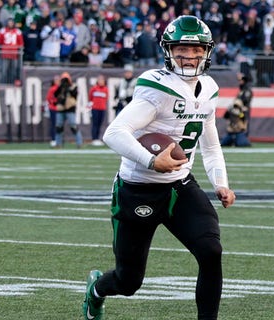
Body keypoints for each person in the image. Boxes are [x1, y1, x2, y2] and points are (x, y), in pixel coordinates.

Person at [83, 15, 236, 320]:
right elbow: (113, 132)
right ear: (168, 50)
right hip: (137, 189)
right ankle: (96, 291)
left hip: (180, 186)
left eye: (196, 50)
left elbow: (210, 144)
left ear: (207, 51)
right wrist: (152, 161)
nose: (189, 56)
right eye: (182, 48)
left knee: (211, 251)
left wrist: (220, 182)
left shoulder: (209, 88)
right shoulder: (157, 87)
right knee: (128, 282)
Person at [53, 72, 82, 148]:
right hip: (61, 109)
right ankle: (58, 144)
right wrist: (61, 87)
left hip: (70, 108)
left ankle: (79, 143)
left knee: (73, 126)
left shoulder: (73, 87)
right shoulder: (60, 88)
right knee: (59, 126)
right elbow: (55, 94)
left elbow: (75, 94)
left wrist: (69, 88)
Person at [88, 74, 108, 146]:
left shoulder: (105, 89)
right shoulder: (94, 88)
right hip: (95, 109)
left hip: (102, 109)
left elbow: (106, 99)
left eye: (102, 80)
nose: (101, 81)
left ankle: (98, 138)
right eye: (99, 79)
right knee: (95, 124)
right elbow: (90, 98)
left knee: (100, 124)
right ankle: (94, 138)